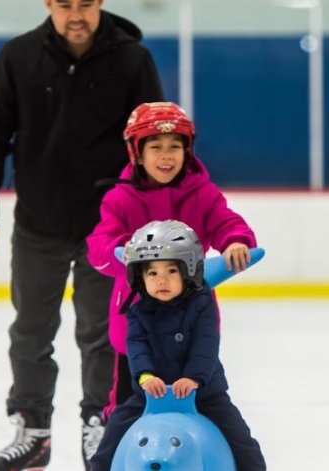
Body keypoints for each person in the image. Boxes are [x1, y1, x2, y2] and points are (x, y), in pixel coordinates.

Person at [0, 1, 163, 469]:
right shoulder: (18, 56)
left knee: (102, 334)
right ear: (48, 5)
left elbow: (153, 140)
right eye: (65, 4)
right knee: (31, 331)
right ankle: (33, 432)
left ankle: (101, 424)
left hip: (110, 226)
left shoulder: (133, 59)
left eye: (86, 4)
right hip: (40, 221)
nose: (76, 14)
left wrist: (151, 212)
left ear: (100, 4)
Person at [86, 101, 256, 424]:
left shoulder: (202, 194)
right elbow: (99, 245)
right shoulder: (120, 199)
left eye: (174, 147)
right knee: (127, 409)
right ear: (137, 152)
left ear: (187, 151)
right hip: (135, 327)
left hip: (193, 324)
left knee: (206, 403)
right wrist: (119, 252)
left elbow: (225, 221)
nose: (166, 156)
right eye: (156, 147)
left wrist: (236, 240)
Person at [89, 220, 266, 470]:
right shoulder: (137, 311)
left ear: (189, 270)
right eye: (152, 273)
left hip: (204, 393)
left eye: (171, 271)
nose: (162, 280)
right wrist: (145, 376)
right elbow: (136, 347)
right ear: (140, 276)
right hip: (151, 394)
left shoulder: (201, 304)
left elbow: (206, 345)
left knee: (242, 441)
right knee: (112, 433)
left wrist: (194, 378)